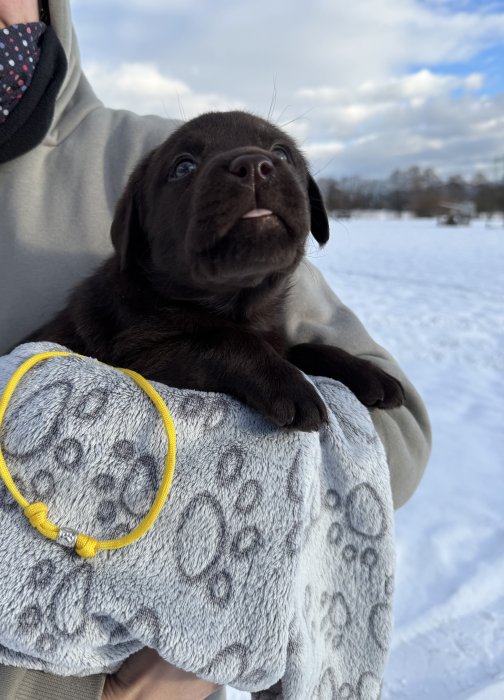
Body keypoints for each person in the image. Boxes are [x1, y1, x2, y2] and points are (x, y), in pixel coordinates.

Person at [0, 1, 432, 699]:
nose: (254, 167)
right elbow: (160, 358)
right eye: (186, 168)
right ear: (134, 235)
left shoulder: (126, 150)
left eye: (281, 158)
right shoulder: (125, 308)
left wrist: (195, 653)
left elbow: (393, 437)